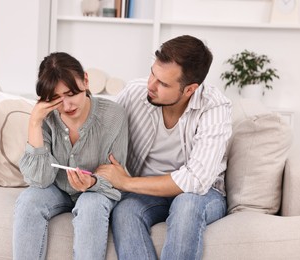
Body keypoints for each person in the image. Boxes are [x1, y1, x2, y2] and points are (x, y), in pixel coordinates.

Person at [96, 35, 232, 260]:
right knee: (125, 211)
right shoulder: (136, 92)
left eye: (164, 84)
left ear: (190, 90)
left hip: (203, 194)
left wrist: (126, 182)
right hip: (148, 192)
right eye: (152, 73)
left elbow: (196, 180)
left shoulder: (215, 107)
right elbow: (99, 126)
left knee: (186, 206)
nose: (151, 85)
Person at [13, 52, 128, 260]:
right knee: (29, 200)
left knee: (91, 206)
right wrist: (35, 123)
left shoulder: (114, 115)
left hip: (96, 193)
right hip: (56, 189)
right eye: (57, 99)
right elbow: (39, 180)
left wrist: (92, 182)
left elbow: (118, 178)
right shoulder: (46, 118)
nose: (67, 106)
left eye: (71, 94)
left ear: (85, 80)